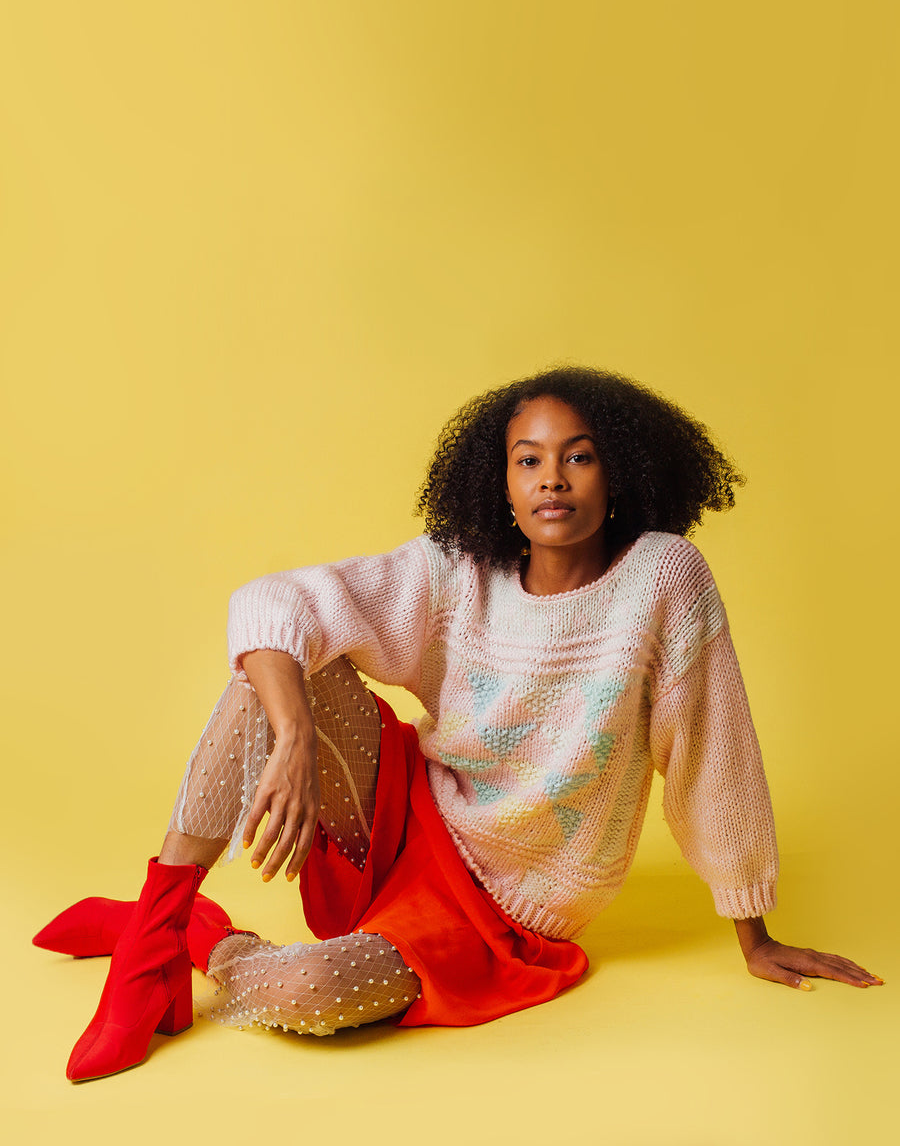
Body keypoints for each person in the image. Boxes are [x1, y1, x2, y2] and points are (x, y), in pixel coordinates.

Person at [35, 367, 883, 1083]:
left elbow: (713, 751)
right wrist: (294, 738)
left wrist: (753, 931)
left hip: (503, 916)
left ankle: (193, 936)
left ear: (616, 473)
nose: (553, 479)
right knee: (280, 663)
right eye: (529, 460)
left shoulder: (664, 579)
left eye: (578, 457)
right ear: (501, 484)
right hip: (404, 820)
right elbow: (273, 601)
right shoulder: (459, 569)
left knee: (310, 996)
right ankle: (150, 944)